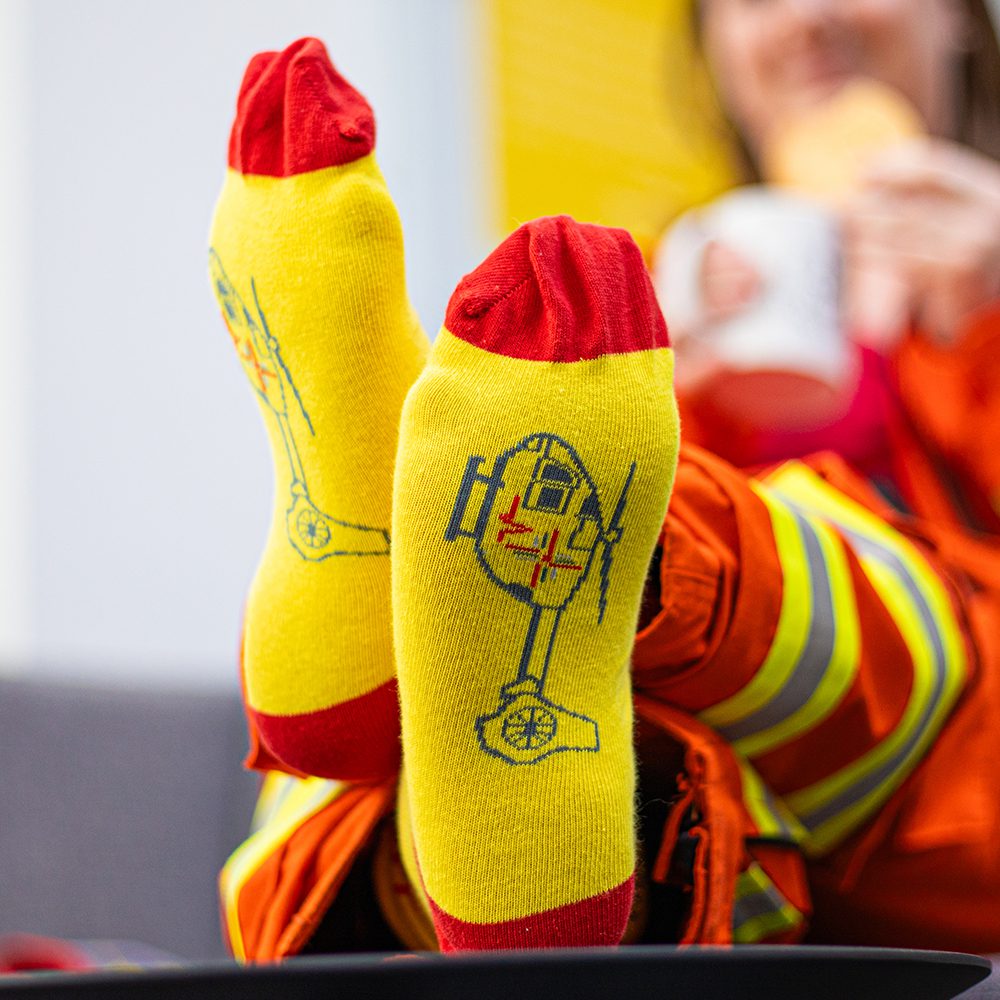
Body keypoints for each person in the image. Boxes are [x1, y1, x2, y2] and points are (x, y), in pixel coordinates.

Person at [210, 1, 1000, 959]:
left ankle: (407, 531)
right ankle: (411, 611)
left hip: (944, 770)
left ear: (964, 17)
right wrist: (679, 366)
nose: (802, 19)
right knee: (540, 747)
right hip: (732, 855)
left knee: (789, 577)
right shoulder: (646, 282)